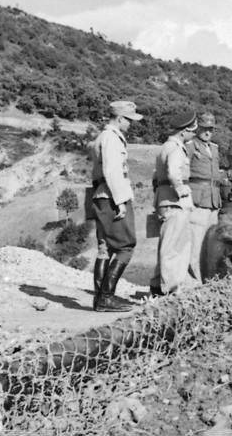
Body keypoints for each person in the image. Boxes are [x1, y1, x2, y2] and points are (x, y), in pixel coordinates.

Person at [87, 100, 143, 312]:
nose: (130, 124)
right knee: (125, 247)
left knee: (105, 248)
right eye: (129, 120)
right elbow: (112, 171)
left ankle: (100, 299)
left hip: (102, 195)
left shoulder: (104, 137)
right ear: (120, 118)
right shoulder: (112, 138)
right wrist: (120, 201)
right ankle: (106, 298)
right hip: (112, 196)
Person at [150, 111, 198, 296]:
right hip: (175, 202)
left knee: (167, 244)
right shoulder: (176, 149)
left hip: (165, 199)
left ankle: (158, 284)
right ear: (185, 131)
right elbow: (172, 172)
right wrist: (180, 189)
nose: (194, 134)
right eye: (192, 131)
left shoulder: (165, 147)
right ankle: (169, 289)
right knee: (174, 247)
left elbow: (156, 177)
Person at [185, 112, 222, 285]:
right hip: (198, 200)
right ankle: (194, 281)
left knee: (210, 245)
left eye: (211, 129)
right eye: (205, 128)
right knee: (195, 243)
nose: (208, 132)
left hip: (214, 200)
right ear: (198, 127)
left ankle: (207, 279)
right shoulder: (190, 146)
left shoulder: (214, 148)